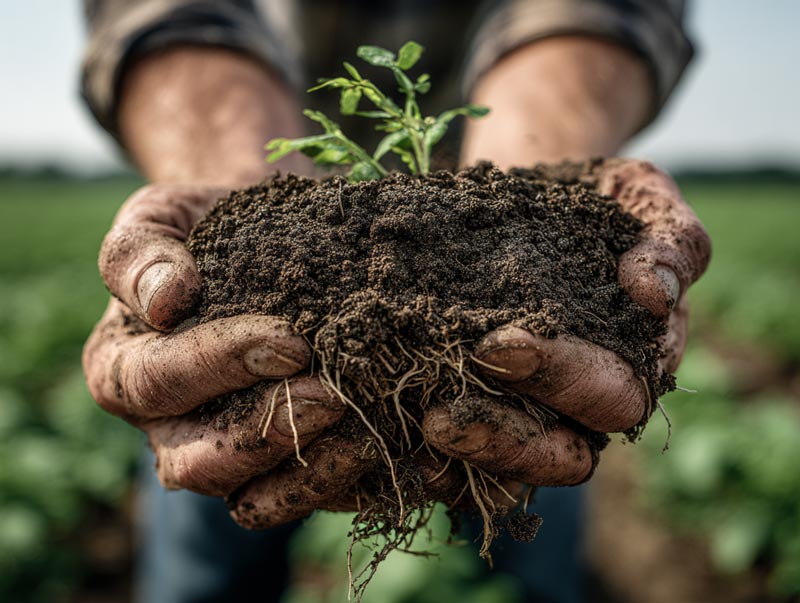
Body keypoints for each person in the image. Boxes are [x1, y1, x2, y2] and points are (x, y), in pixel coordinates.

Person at [80, 1, 711, 601]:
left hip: (504, 170)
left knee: (532, 500)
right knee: (213, 527)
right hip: (241, 148)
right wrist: (230, 192)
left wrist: (545, 182)